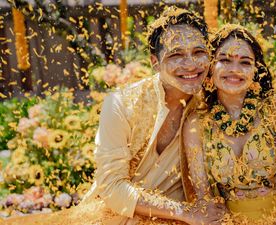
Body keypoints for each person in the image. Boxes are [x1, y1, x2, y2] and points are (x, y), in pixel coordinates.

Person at [3, 7, 225, 225]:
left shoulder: (214, 102)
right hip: (118, 217)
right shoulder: (122, 104)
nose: (190, 64)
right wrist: (185, 212)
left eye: (198, 52)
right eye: (176, 54)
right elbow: (112, 187)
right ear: (154, 62)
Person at [183, 24, 276, 225]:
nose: (235, 70)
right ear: (210, 66)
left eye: (245, 62)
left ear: (256, 70)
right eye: (224, 60)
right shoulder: (196, 124)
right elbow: (204, 197)